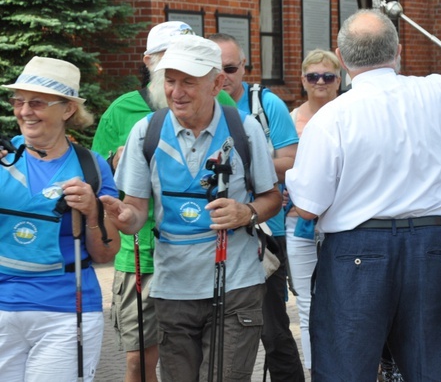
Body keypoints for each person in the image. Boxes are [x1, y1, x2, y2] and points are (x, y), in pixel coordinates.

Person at [285, 8, 441, 381]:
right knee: (433, 369)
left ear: (340, 60)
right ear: (398, 51)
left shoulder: (330, 117)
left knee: (346, 370)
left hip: (357, 248)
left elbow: (308, 207)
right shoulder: (436, 92)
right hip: (431, 243)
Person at [101, 35, 282, 381]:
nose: (176, 92)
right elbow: (137, 210)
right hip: (172, 287)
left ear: (216, 84)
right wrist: (126, 218)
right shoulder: (146, 133)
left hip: (236, 283)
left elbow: (271, 197)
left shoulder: (244, 130)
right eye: (170, 81)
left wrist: (247, 213)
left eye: (188, 82)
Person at [91, 21, 236, 382]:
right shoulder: (122, 110)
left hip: (208, 253)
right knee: (140, 361)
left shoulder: (223, 102)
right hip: (140, 254)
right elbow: (98, 181)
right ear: (149, 61)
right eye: (169, 59)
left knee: (205, 360)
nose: (179, 71)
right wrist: (115, 161)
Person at [0, 57, 120, 381]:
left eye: (37, 102)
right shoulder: (2, 157)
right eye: (19, 101)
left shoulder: (91, 167)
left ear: (67, 109)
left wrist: (93, 210)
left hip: (66, 312)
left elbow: (106, 253)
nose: (24, 111)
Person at [208, 32, 303, 381]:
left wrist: (248, 165)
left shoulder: (266, 103)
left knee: (272, 330)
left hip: (264, 234)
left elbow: (292, 160)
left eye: (231, 68)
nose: (224, 76)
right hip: (210, 239)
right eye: (215, 69)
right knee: (219, 334)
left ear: (244, 67)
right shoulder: (200, 109)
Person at [283, 49, 341, 372]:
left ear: (339, 80)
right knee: (306, 302)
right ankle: (316, 371)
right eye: (313, 76)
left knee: (346, 301)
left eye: (328, 76)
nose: (320, 82)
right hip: (299, 223)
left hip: (344, 223)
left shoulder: (350, 112)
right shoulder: (292, 121)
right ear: (303, 80)